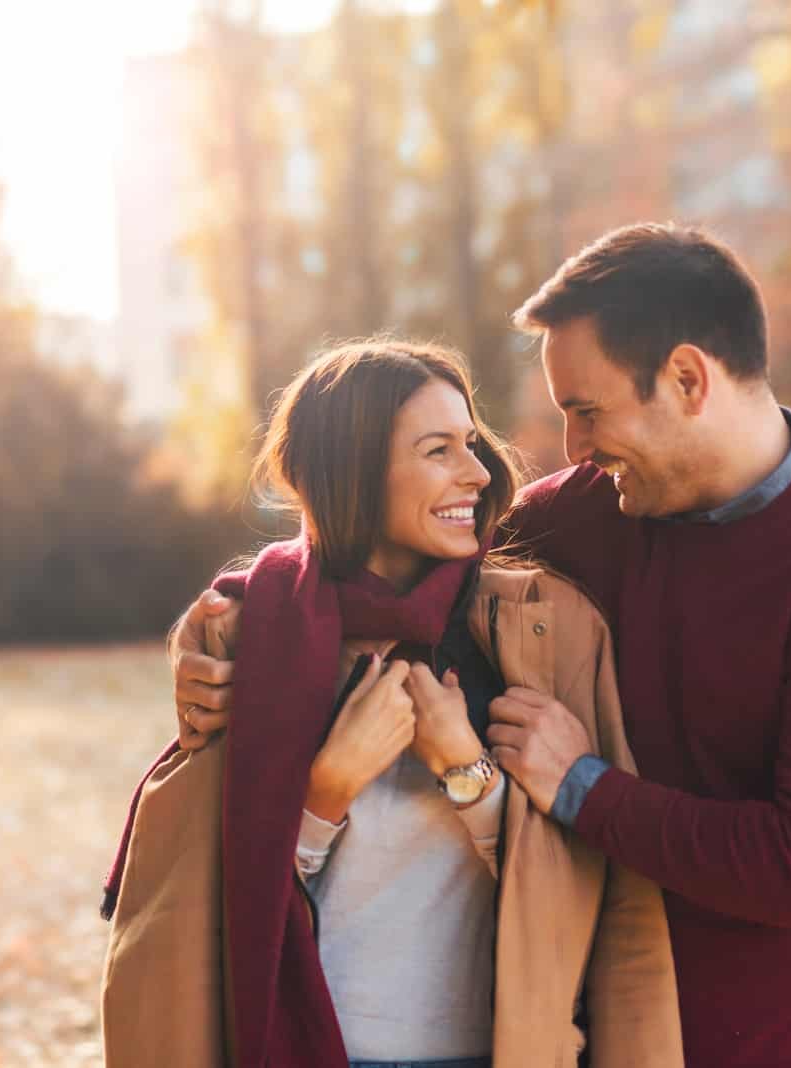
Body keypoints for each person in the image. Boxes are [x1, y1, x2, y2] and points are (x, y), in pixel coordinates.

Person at [171, 224, 791, 1068]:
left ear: (688, 379)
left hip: (784, 1046)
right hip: (595, 1035)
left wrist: (583, 788)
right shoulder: (587, 512)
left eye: (589, 411)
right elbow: (382, 554)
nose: (575, 449)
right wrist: (222, 625)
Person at [100, 340, 682, 1068]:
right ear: (353, 474)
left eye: (471, 443)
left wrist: (467, 772)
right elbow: (214, 912)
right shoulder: (253, 635)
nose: (476, 471)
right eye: (438, 450)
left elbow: (601, 895)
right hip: (308, 1050)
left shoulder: (547, 630)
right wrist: (323, 795)